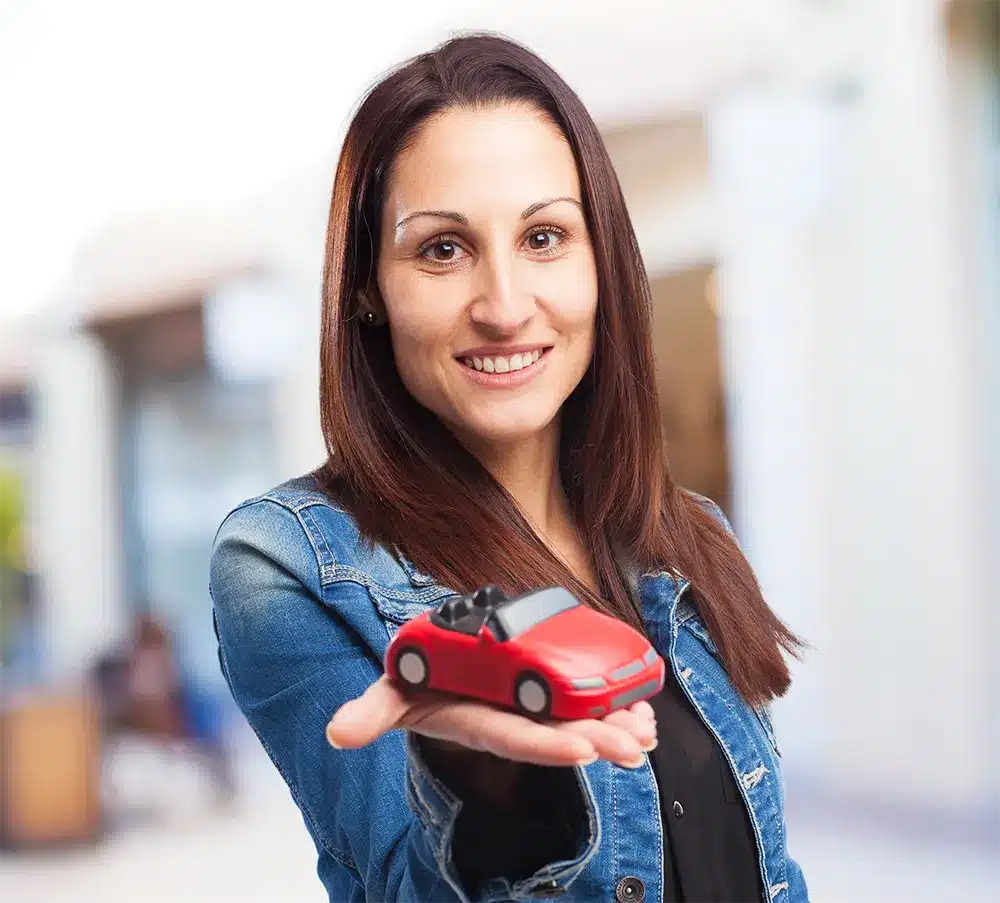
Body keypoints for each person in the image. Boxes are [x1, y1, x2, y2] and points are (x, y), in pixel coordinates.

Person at [209, 33, 808, 903]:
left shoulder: (692, 538)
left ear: (601, 260)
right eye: (443, 249)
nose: (504, 306)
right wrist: (487, 796)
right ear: (368, 289)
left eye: (543, 236)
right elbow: (402, 886)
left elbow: (774, 874)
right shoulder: (286, 566)